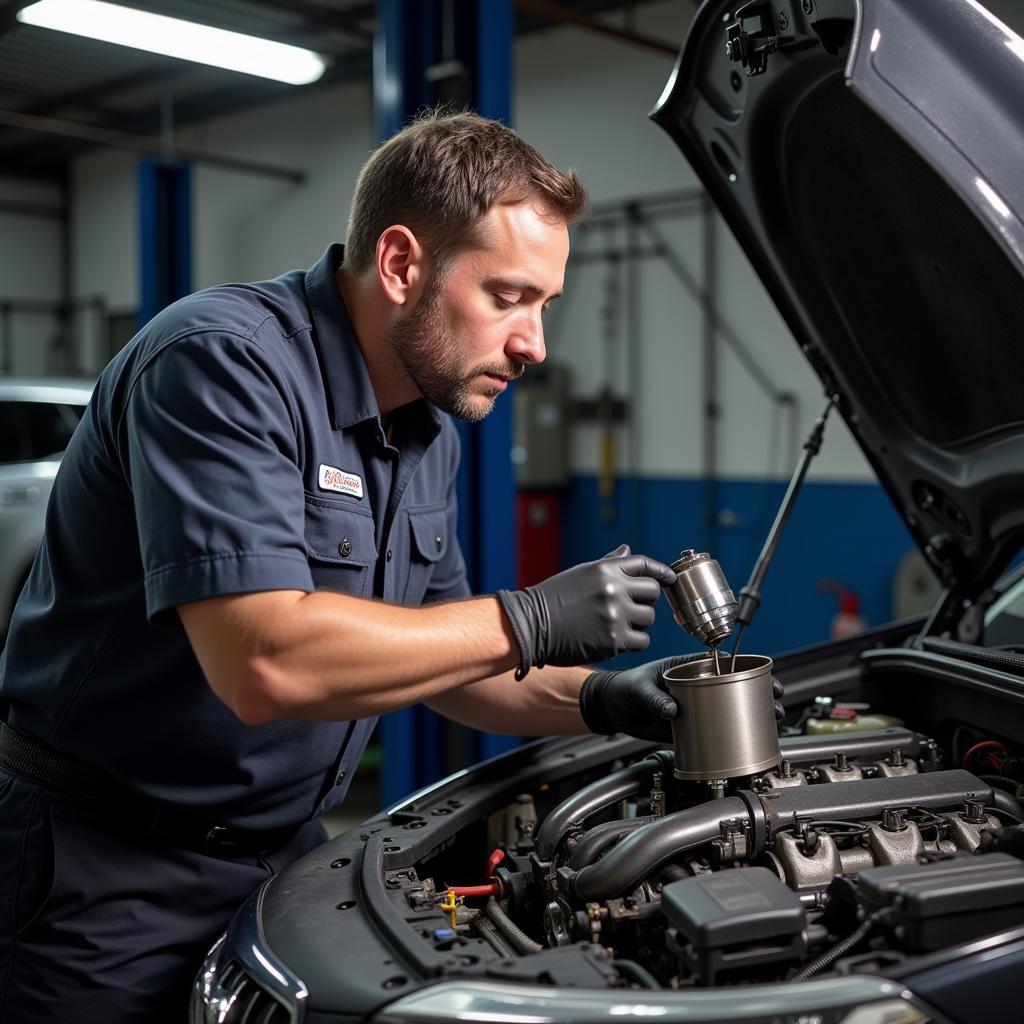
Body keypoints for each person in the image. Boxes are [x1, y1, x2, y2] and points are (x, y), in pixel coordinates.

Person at [0, 111, 685, 1023]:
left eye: (544, 306)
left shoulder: (423, 429)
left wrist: (601, 700)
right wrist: (529, 617)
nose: (535, 346)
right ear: (402, 264)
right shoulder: (221, 363)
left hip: (282, 861)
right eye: (508, 297)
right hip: (103, 876)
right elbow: (264, 661)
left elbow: (449, 666)